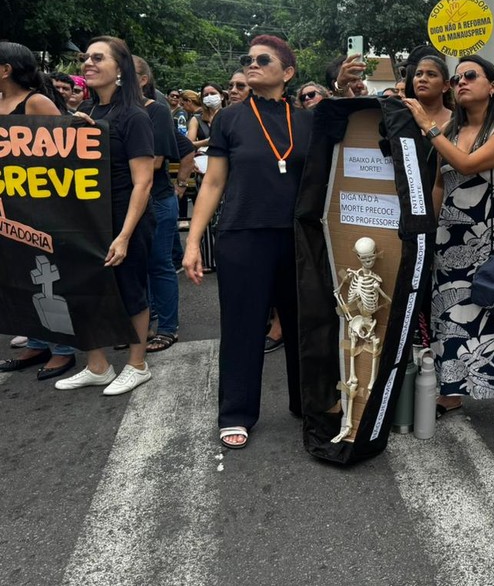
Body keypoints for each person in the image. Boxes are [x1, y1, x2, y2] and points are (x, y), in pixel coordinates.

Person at [183, 35, 312, 449]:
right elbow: (214, 182)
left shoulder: (308, 121)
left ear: (287, 72)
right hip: (242, 235)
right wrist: (193, 242)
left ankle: (306, 402)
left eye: (262, 59)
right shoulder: (229, 119)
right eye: (247, 59)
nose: (251, 64)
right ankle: (236, 412)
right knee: (242, 327)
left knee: (302, 325)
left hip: (298, 238)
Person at [403, 55, 494, 442]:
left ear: (493, 86)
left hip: (489, 241)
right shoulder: (450, 129)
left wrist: (428, 127)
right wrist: (429, 231)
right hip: (449, 240)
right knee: (448, 321)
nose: (461, 81)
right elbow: (440, 183)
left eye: (471, 75)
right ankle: (453, 394)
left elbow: (467, 166)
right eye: (457, 77)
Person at [55, 36, 157, 395]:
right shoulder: (87, 111)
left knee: (130, 289)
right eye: (86, 58)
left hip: (123, 217)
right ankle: (97, 366)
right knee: (84, 289)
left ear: (120, 69)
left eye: (98, 58)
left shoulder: (134, 115)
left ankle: (137, 363)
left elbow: (142, 183)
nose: (88, 63)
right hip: (86, 220)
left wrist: (125, 235)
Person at [0, 42, 77, 380]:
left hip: (40, 205)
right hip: (7, 205)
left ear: (6, 69)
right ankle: (36, 341)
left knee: (49, 279)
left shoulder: (36, 102)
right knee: (19, 275)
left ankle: (62, 350)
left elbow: (67, 149)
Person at [133, 56, 181, 354]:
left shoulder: (158, 112)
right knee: (136, 266)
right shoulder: (107, 111)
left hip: (157, 200)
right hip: (126, 201)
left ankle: (167, 327)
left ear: (143, 80)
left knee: (158, 263)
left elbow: (156, 161)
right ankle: (142, 323)